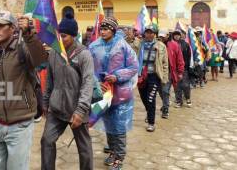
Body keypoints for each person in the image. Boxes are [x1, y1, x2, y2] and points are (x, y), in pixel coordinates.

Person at [0, 11, 47, 170]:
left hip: (19, 125)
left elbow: (40, 59)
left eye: (1, 26)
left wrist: (30, 34)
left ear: (12, 29)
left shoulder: (23, 49)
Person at [41, 14, 94, 170]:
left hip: (77, 110)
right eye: (59, 35)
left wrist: (80, 110)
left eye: (63, 36)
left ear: (74, 35)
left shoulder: (84, 55)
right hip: (56, 109)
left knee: (84, 149)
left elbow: (88, 84)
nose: (60, 39)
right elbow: (49, 81)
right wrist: (45, 102)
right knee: (46, 141)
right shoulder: (54, 53)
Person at [89, 17, 138, 170]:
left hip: (120, 94)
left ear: (113, 30)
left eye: (106, 29)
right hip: (103, 92)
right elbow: (88, 69)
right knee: (109, 125)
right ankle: (112, 151)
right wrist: (96, 84)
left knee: (119, 127)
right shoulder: (94, 46)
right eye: (101, 29)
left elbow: (133, 66)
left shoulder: (123, 46)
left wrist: (117, 76)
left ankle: (119, 157)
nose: (102, 31)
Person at [137, 25, 169, 132]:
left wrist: (164, 78)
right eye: (147, 32)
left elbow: (165, 63)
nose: (149, 34)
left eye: (151, 32)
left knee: (151, 99)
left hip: (154, 76)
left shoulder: (161, 46)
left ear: (154, 34)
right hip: (141, 76)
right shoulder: (139, 44)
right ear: (144, 33)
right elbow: (128, 45)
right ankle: (149, 112)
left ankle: (151, 122)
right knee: (143, 97)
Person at [157, 29, 184, 119]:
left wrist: (180, 71)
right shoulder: (156, 44)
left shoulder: (174, 45)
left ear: (168, 36)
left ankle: (165, 109)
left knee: (165, 91)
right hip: (157, 71)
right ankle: (166, 102)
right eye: (160, 36)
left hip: (168, 72)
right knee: (160, 91)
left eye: (163, 36)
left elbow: (180, 59)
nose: (161, 38)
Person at [172, 30, 192, 108]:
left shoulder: (186, 45)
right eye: (175, 35)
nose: (176, 36)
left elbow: (189, 56)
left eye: (178, 35)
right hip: (174, 69)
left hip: (184, 68)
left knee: (186, 85)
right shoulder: (171, 44)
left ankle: (188, 99)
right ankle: (179, 101)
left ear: (181, 36)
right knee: (177, 86)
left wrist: (188, 67)